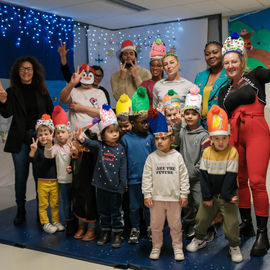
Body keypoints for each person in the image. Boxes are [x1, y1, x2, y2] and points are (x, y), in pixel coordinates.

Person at [218, 31, 270, 257]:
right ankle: (246, 224)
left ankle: (262, 233)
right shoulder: (222, 90)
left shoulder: (256, 75)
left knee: (257, 182)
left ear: (242, 61)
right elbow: (220, 117)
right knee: (240, 181)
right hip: (234, 136)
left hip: (258, 133)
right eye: (226, 62)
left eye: (234, 61)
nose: (230, 65)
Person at [0, 56, 54, 225]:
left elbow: (51, 113)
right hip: (20, 140)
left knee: (40, 177)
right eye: (22, 69)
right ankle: (21, 210)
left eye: (29, 68)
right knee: (21, 178)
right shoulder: (11, 91)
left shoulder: (42, 90)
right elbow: (6, 113)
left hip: (40, 140)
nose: (26, 72)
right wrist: (2, 100)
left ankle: (41, 211)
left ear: (34, 71)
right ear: (18, 71)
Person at [186, 105, 243, 263]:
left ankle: (234, 245)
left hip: (228, 194)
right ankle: (199, 238)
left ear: (228, 137)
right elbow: (203, 178)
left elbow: (230, 178)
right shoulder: (207, 153)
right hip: (210, 194)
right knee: (202, 219)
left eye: (224, 138)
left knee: (231, 224)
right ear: (211, 138)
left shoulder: (232, 152)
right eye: (216, 138)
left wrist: (227, 196)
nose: (220, 142)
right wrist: (207, 196)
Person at [75, 105, 127, 248]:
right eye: (110, 132)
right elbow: (89, 142)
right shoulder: (100, 147)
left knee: (116, 212)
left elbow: (123, 168)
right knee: (103, 212)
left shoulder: (121, 149)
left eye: (116, 131)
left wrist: (123, 185)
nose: (115, 134)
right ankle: (105, 232)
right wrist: (81, 139)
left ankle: (117, 234)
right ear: (103, 134)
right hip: (100, 187)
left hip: (115, 188)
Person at [142, 108, 189, 261]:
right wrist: (147, 195)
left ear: (172, 139)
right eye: (157, 139)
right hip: (156, 199)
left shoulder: (177, 157)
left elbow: (183, 176)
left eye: (163, 138)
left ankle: (177, 247)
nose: (160, 142)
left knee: (175, 225)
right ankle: (156, 246)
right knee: (155, 226)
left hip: (174, 199)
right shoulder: (151, 158)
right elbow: (147, 178)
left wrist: (184, 194)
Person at [121, 87, 156, 244]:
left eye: (147, 121)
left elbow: (156, 159)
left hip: (149, 181)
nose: (146, 125)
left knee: (149, 207)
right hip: (133, 181)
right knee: (134, 207)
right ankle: (135, 229)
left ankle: (150, 227)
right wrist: (125, 181)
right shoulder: (126, 139)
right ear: (133, 122)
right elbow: (124, 162)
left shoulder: (151, 138)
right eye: (143, 122)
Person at [173, 85, 209, 239]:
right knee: (186, 204)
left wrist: (193, 171)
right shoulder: (182, 131)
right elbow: (175, 142)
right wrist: (176, 125)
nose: (189, 117)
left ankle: (204, 227)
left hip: (197, 178)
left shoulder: (203, 135)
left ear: (199, 116)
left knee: (200, 203)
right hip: (183, 177)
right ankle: (188, 224)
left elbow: (203, 159)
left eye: (193, 114)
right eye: (186, 113)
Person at [29, 114, 64, 234]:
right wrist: (32, 151)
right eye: (40, 134)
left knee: (55, 203)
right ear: (37, 136)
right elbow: (31, 159)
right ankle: (45, 223)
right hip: (42, 182)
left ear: (52, 134)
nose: (43, 137)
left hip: (54, 181)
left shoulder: (55, 147)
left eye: (46, 134)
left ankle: (55, 221)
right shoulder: (37, 149)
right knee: (43, 204)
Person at [44, 106, 75, 235]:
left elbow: (78, 158)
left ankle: (79, 222)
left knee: (76, 201)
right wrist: (49, 143)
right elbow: (49, 155)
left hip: (75, 179)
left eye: (63, 132)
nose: (60, 135)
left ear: (69, 132)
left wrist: (74, 151)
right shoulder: (56, 147)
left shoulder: (72, 145)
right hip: (63, 180)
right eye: (57, 133)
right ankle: (69, 222)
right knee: (66, 203)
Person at [59, 63, 107, 132]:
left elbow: (104, 113)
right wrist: (72, 83)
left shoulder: (100, 93)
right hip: (75, 135)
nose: (86, 79)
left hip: (94, 136)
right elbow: (63, 99)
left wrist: (81, 108)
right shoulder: (73, 91)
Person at [194, 41, 229, 129]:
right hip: (199, 124)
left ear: (223, 53)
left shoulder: (229, 75)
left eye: (215, 52)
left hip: (220, 123)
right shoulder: (200, 76)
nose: (211, 56)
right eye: (207, 54)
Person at [140, 39, 165, 107]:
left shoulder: (167, 83)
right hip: (149, 116)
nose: (155, 68)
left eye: (159, 66)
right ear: (150, 66)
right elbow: (139, 103)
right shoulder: (144, 85)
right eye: (152, 65)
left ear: (163, 67)